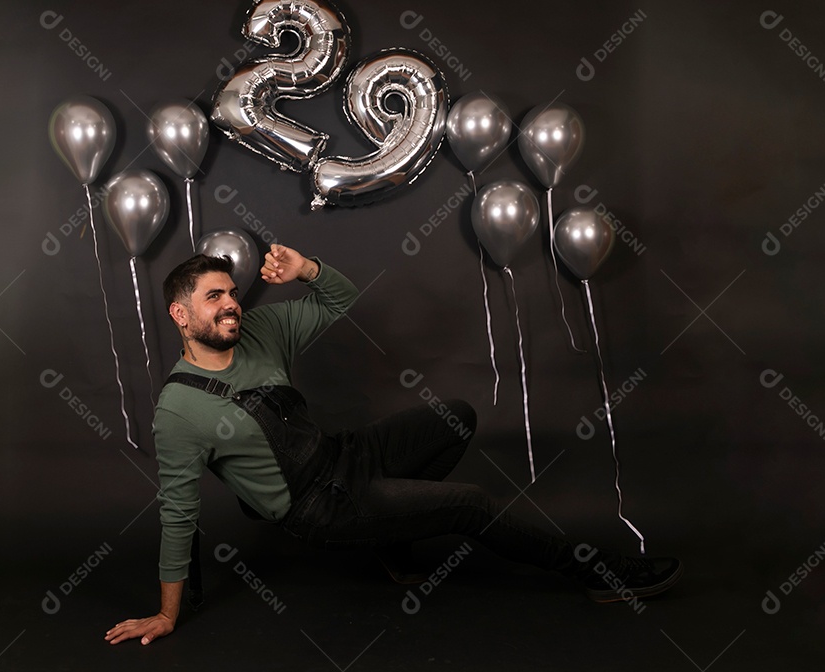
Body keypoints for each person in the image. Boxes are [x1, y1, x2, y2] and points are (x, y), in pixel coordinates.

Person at [105, 244, 681, 646]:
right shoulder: (178, 410)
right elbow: (178, 515)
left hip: (343, 457)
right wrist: (165, 612)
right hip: (318, 506)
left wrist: (306, 268)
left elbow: (341, 299)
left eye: (231, 293)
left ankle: (394, 543)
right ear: (181, 315)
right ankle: (598, 573)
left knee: (456, 417)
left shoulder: (260, 329)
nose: (231, 304)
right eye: (214, 298)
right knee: (470, 504)